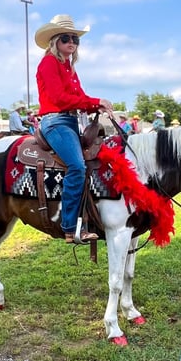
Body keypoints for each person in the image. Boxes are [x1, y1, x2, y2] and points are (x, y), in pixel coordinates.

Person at [35, 14, 113, 244]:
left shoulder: (69, 67)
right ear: (54, 41)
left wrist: (97, 104)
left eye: (75, 39)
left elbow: (79, 96)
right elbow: (59, 98)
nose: (72, 42)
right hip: (56, 122)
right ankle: (69, 227)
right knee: (77, 166)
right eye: (66, 38)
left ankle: (93, 215)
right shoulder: (49, 63)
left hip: (70, 122)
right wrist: (95, 102)